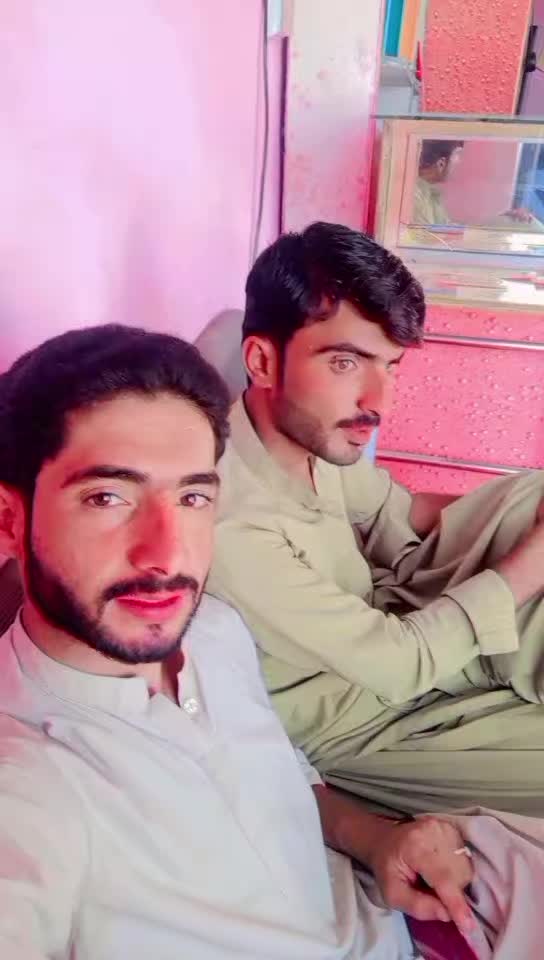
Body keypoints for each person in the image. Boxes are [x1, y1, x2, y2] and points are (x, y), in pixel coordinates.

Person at [0, 322, 479, 959]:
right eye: (108, 497)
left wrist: (376, 839)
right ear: (9, 520)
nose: (167, 554)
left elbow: (282, 774)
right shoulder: (27, 783)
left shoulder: (215, 629)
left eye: (193, 497)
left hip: (391, 919)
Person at [207, 221, 544, 817]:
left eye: (390, 366)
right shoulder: (231, 524)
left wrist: (522, 512)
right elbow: (398, 664)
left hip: (398, 607)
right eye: (346, 362)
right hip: (368, 718)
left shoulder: (315, 436)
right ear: (261, 360)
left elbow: (398, 511)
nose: (379, 403)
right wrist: (532, 560)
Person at [413, 139, 535, 227]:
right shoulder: (415, 196)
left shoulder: (431, 195)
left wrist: (502, 220)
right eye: (457, 155)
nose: (460, 162)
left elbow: (449, 231)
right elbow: (430, 241)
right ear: (441, 164)